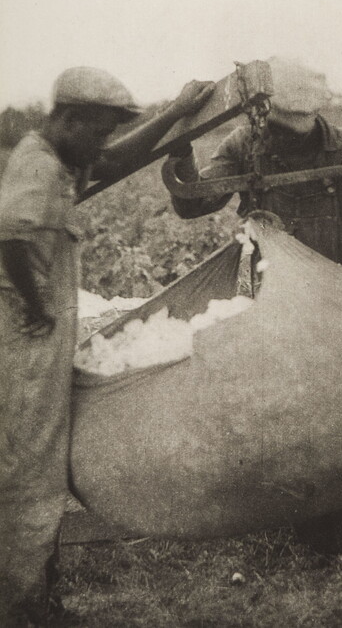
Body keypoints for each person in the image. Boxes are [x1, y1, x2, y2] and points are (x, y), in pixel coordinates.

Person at [0, 67, 214, 626]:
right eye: (97, 129)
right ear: (68, 119)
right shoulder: (38, 163)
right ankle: (25, 610)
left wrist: (173, 114)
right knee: (27, 472)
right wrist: (38, 306)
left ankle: (35, 599)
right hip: (22, 343)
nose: (101, 142)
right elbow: (14, 236)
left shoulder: (59, 159)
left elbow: (116, 161)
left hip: (32, 342)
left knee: (35, 467)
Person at [164, 56, 342, 557]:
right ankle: (307, 535)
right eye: (269, 123)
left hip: (337, 308)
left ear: (311, 117)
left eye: (289, 128)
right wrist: (180, 151)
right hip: (271, 307)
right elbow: (193, 201)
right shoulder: (246, 145)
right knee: (288, 420)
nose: (276, 136)